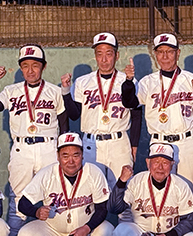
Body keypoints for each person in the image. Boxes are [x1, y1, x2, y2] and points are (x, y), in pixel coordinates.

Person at [0, 44, 70, 236]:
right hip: (21, 148)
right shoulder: (11, 91)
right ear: (20, 68)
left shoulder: (54, 91)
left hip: (49, 147)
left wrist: (63, 153)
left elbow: (64, 125)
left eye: (35, 65)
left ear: (43, 66)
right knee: (18, 201)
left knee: (56, 198)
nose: (30, 70)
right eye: (25, 66)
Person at [16, 133, 114, 236]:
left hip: (85, 230)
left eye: (76, 155)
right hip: (53, 230)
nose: (71, 161)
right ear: (58, 156)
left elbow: (103, 208)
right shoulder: (47, 173)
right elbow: (22, 203)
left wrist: (87, 228)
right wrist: (36, 211)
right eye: (65, 156)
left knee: (109, 232)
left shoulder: (93, 172)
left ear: (82, 155)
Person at [122, 33, 193, 188]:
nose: (165, 56)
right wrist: (129, 81)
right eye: (160, 52)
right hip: (159, 142)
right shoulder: (148, 82)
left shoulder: (191, 79)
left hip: (188, 142)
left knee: (191, 191)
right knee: (160, 192)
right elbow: (130, 103)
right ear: (155, 55)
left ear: (178, 53)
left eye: (169, 51)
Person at [109, 143, 193, 236]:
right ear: (148, 163)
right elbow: (114, 208)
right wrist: (121, 182)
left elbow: (189, 220)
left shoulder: (180, 185)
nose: (160, 167)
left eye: (165, 163)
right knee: (120, 232)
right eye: (156, 162)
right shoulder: (136, 181)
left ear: (172, 164)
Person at [61, 32, 142, 180]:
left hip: (119, 143)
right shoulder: (82, 82)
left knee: (123, 188)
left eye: (109, 54)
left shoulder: (128, 80)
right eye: (99, 54)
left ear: (117, 56)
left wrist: (134, 146)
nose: (104, 59)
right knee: (92, 188)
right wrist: (66, 91)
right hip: (91, 143)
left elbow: (136, 115)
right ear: (95, 56)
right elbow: (74, 115)